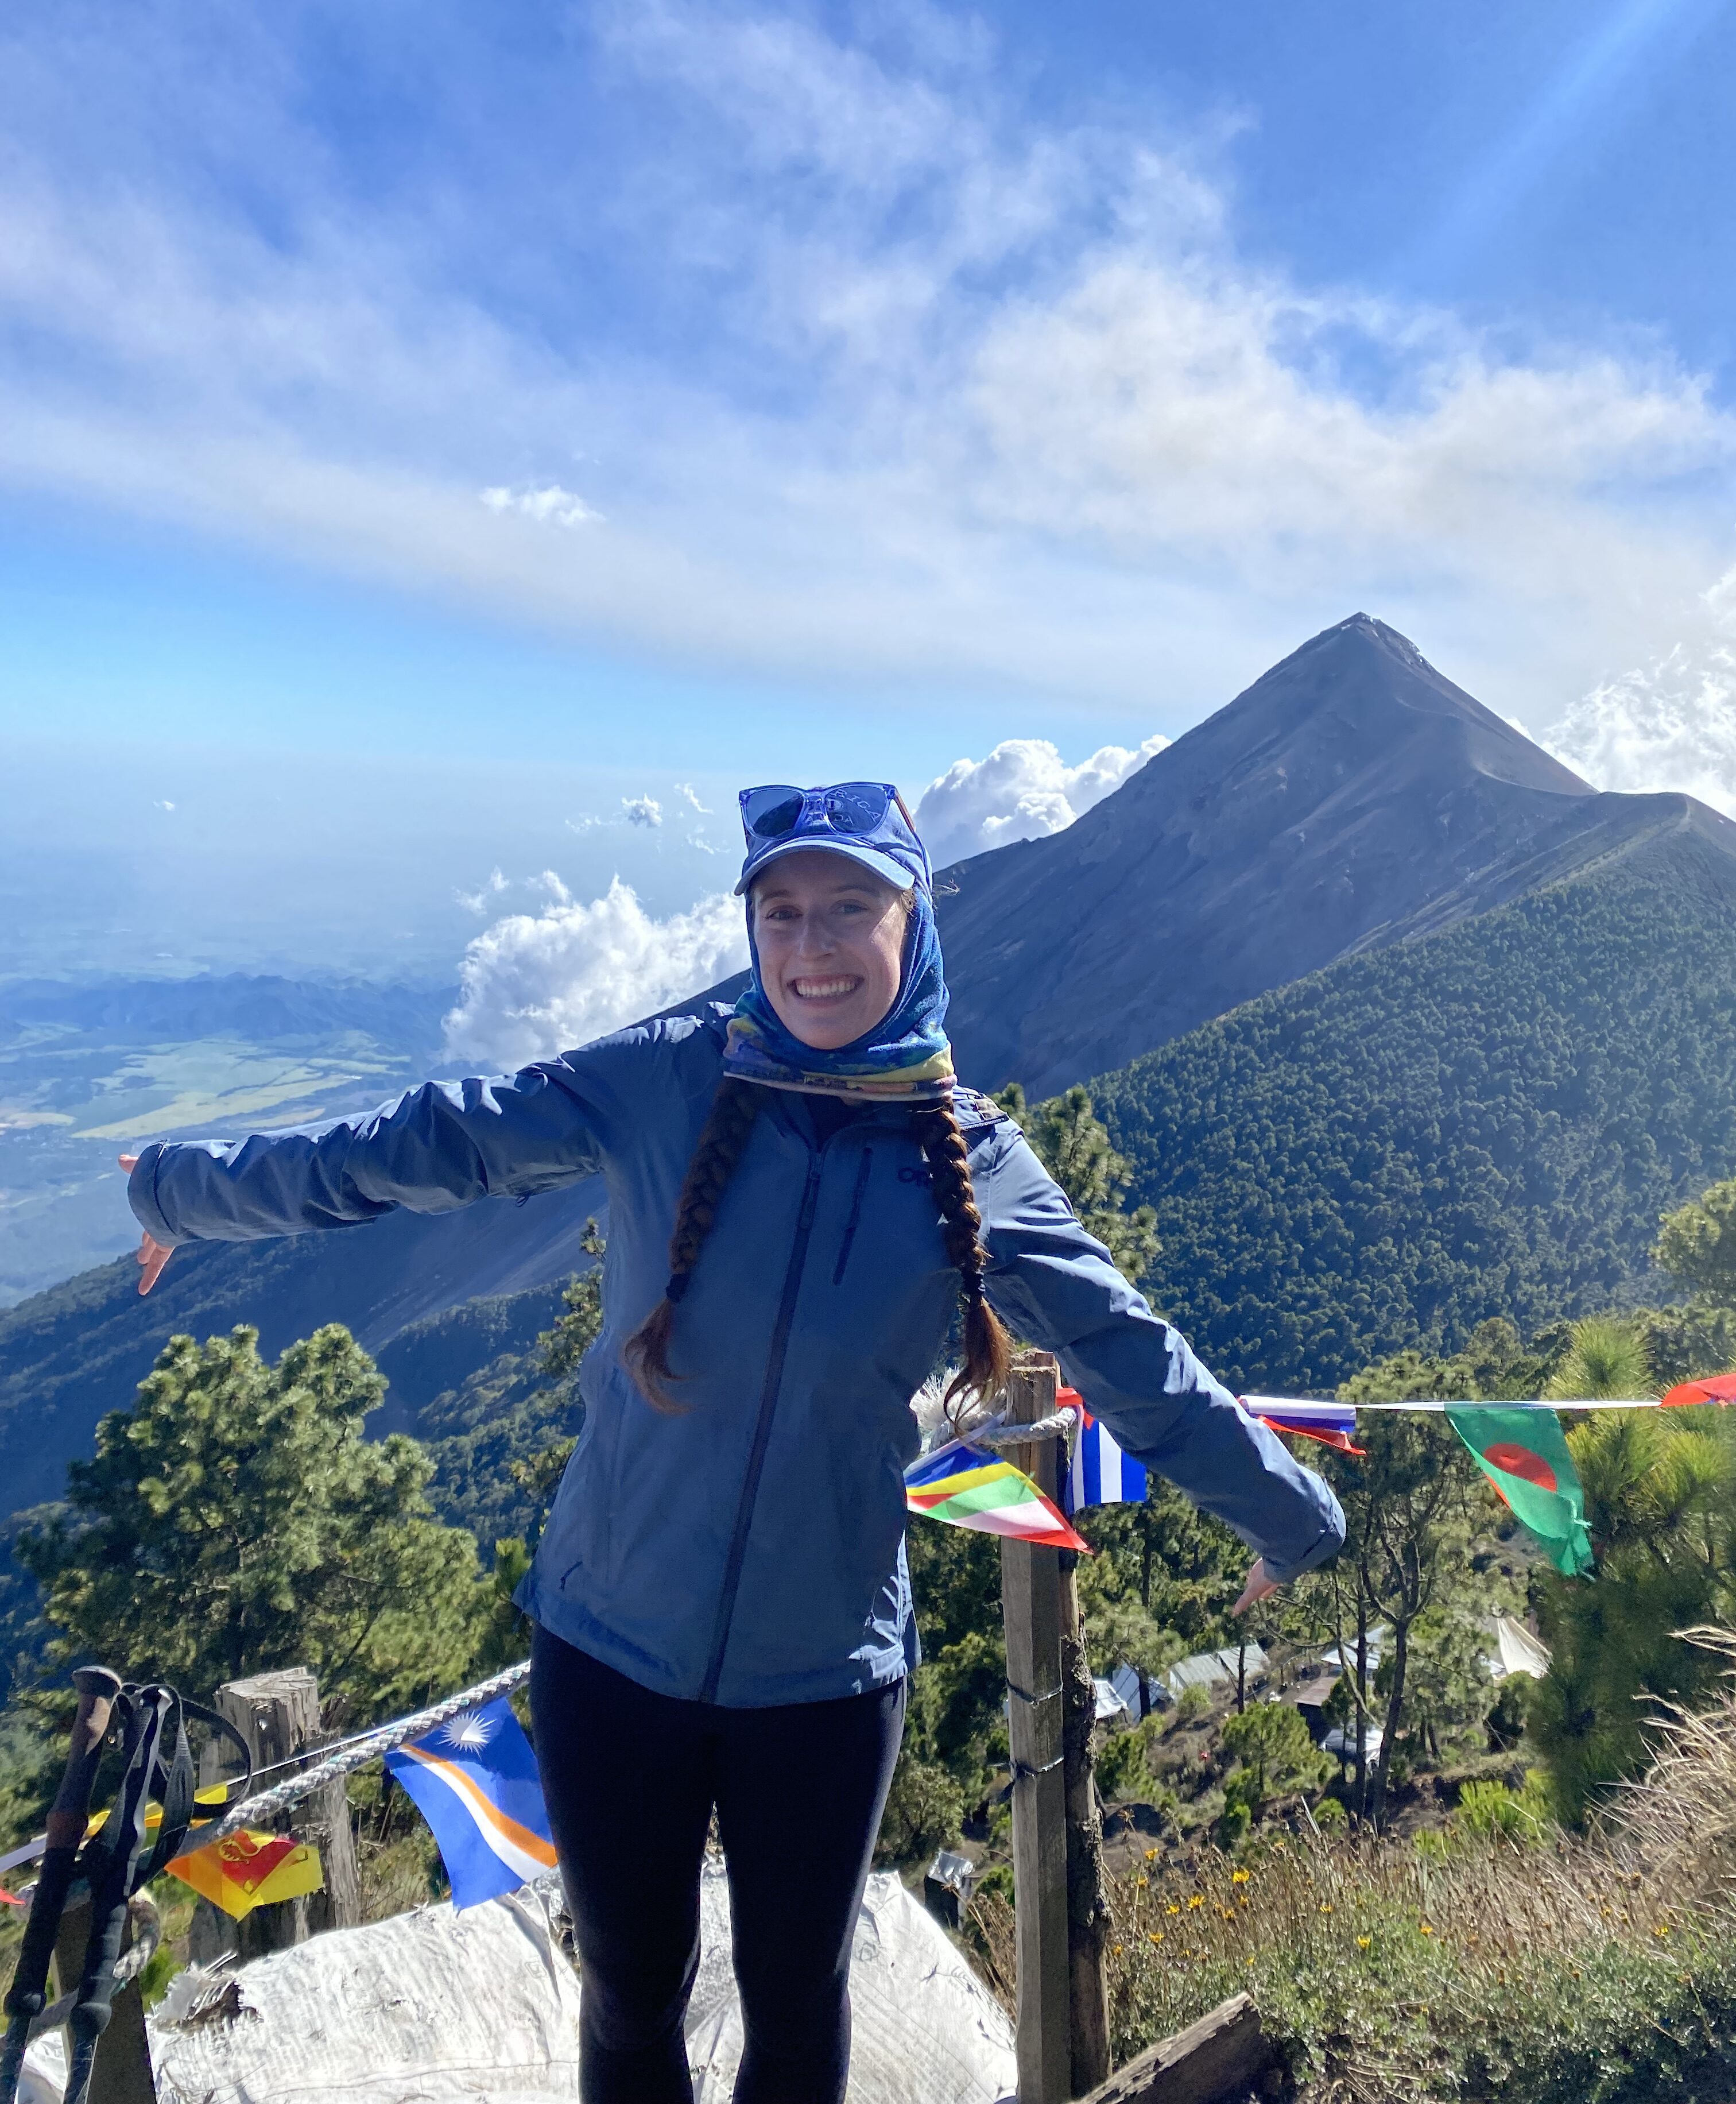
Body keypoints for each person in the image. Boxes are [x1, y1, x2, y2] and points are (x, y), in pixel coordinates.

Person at [122, 780, 1344, 2104]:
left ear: (913, 922)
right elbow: (424, 1144)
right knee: (633, 1997)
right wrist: (177, 1190)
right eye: (783, 913)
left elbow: (1133, 1356)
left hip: (823, 1683)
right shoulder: (665, 1079)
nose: (813, 946)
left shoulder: (974, 1163)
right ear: (752, 930)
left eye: (850, 908)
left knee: (796, 2001)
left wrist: (1289, 1515)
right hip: (608, 1651)